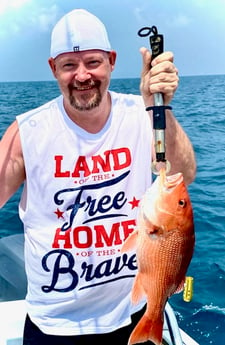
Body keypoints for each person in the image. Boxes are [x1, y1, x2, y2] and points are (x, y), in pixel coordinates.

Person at [0, 8, 196, 345]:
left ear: (112, 61)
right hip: (54, 326)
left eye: (93, 63)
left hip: (130, 312)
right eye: (68, 66)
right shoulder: (27, 132)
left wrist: (159, 107)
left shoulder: (141, 114)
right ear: (53, 69)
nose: (82, 76)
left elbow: (183, 174)